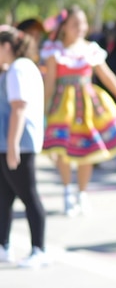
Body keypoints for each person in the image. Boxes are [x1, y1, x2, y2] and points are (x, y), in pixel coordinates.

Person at [40, 6, 116, 216]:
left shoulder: (91, 48)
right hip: (63, 106)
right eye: (75, 24)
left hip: (87, 105)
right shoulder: (54, 51)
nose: (80, 28)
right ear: (64, 26)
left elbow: (106, 75)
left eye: (83, 23)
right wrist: (42, 110)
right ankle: (67, 191)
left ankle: (82, 193)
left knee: (88, 151)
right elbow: (49, 84)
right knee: (63, 151)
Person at [0, 26, 48, 268]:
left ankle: (39, 249)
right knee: (4, 197)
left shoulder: (18, 69)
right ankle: (3, 245)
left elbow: (19, 108)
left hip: (18, 143)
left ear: (6, 46)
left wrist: (12, 146)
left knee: (29, 195)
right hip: (11, 143)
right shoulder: (18, 67)